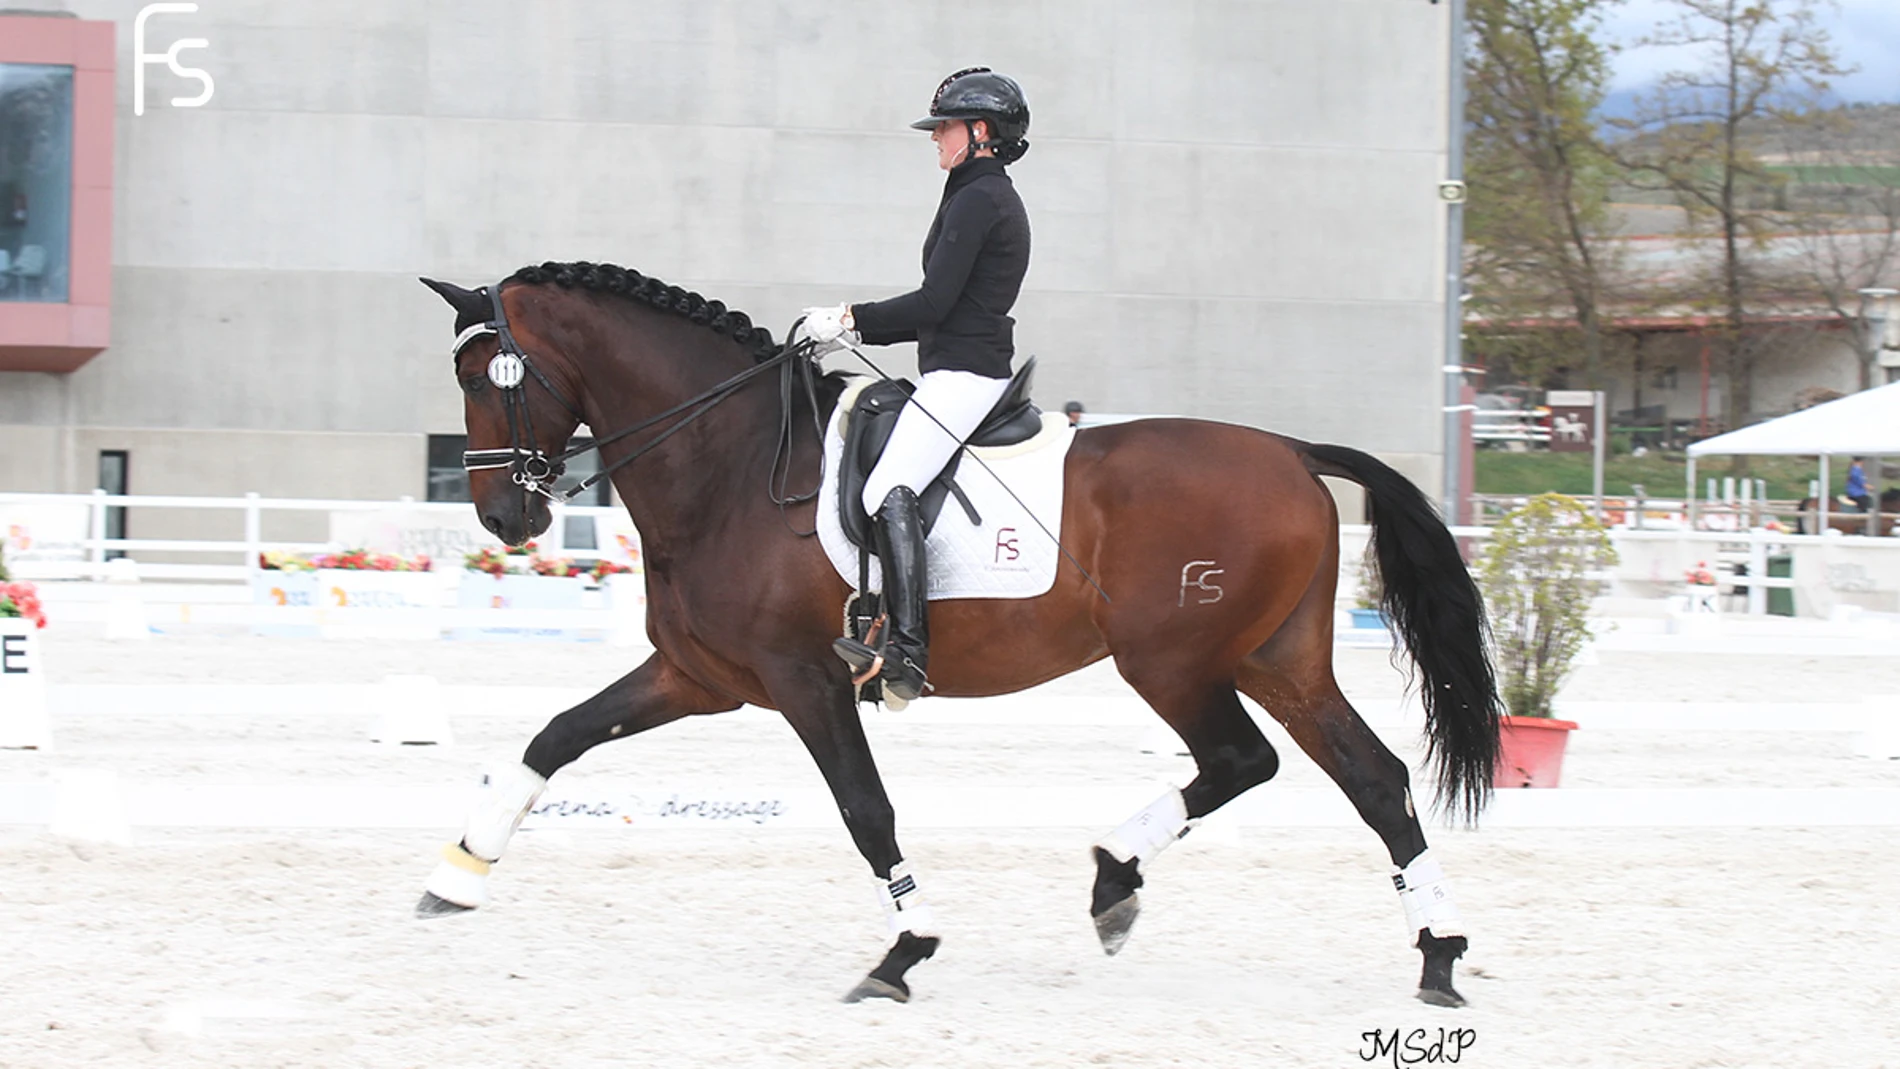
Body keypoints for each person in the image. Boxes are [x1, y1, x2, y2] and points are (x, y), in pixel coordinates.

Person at [798, 67, 1033, 702]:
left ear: (979, 132)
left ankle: (906, 651)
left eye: (945, 127)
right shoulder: (972, 192)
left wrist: (850, 320)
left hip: (967, 372)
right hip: (954, 367)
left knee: (886, 488)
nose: (935, 139)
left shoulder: (981, 198)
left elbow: (934, 302)